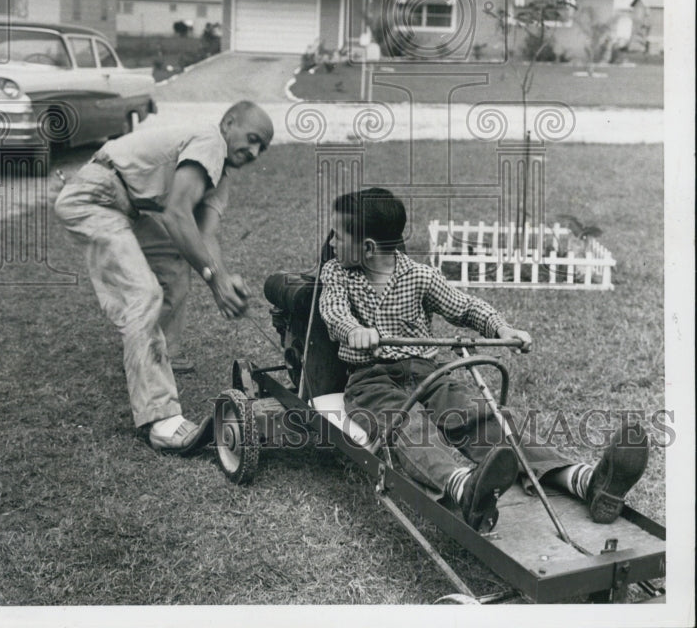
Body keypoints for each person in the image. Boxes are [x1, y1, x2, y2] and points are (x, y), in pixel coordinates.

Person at [319, 187, 649, 531]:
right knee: (408, 424)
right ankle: (464, 487)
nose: (331, 244)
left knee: (479, 416)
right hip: (371, 379)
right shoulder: (337, 274)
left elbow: (464, 307)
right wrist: (354, 329)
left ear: (368, 248)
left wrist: (501, 327)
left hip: (428, 374)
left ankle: (582, 479)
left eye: (338, 237)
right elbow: (333, 310)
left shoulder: (420, 276)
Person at [54, 101, 274, 452]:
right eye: (251, 139)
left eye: (262, 147)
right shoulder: (210, 141)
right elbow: (175, 215)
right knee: (143, 295)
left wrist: (223, 278)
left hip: (123, 203)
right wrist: (212, 278)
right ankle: (160, 419)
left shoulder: (219, 177)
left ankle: (158, 358)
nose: (254, 152)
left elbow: (205, 235)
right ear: (228, 123)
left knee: (172, 263)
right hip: (95, 196)